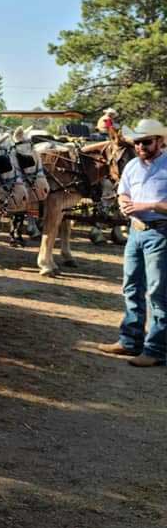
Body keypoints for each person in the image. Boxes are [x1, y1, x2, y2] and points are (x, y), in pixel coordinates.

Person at [98, 119, 167, 368]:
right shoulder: (132, 167)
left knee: (158, 293)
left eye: (146, 142)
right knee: (131, 286)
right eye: (137, 142)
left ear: (160, 141)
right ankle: (130, 341)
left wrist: (147, 205)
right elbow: (123, 192)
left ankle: (156, 349)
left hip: (161, 232)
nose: (140, 147)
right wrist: (124, 203)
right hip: (136, 231)